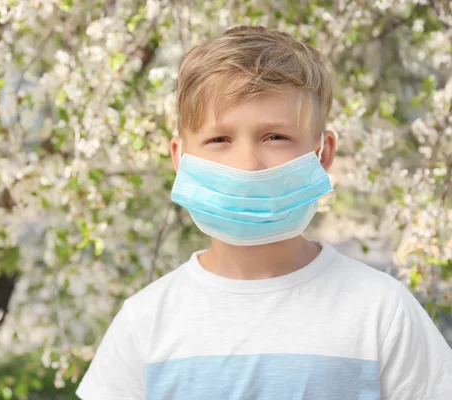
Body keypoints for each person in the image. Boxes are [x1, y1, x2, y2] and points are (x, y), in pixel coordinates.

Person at [75, 25, 452, 400]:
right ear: (180, 158)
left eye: (276, 137)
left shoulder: (381, 312)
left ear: (323, 153)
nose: (248, 164)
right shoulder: (145, 322)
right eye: (218, 139)